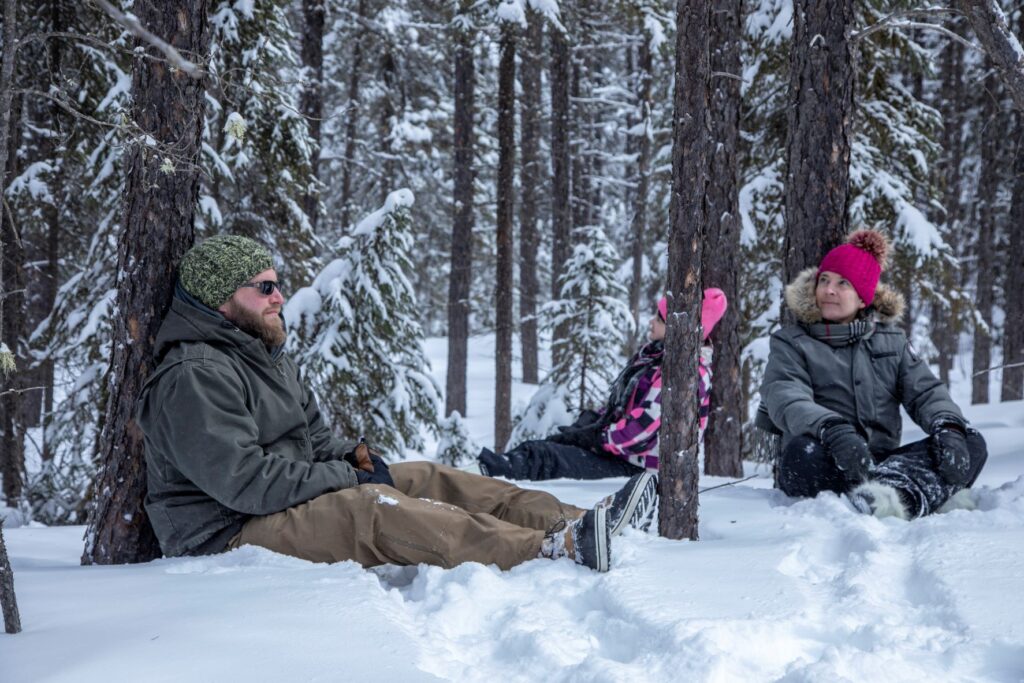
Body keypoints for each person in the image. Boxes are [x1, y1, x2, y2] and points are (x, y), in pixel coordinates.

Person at [137, 235, 660, 574]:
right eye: (265, 287)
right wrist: (350, 481)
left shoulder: (260, 353)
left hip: (279, 500)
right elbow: (245, 483)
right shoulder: (195, 375)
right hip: (224, 533)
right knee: (371, 509)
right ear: (218, 299)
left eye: (279, 284)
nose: (279, 296)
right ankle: (552, 550)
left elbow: (315, 438)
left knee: (421, 477)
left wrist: (359, 460)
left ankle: (580, 519)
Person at [759, 229, 987, 519]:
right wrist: (832, 429)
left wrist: (948, 427)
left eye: (843, 283)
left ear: (863, 299)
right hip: (826, 456)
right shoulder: (791, 342)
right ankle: (918, 494)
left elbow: (927, 392)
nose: (829, 290)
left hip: (881, 459)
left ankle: (888, 493)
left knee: (970, 441)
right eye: (824, 280)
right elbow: (785, 395)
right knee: (801, 454)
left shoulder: (892, 342)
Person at [478, 288, 728, 480]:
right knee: (544, 446)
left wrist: (597, 438)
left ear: (677, 328)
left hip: (639, 469)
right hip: (623, 454)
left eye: (659, 319)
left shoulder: (686, 373)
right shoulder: (655, 359)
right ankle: (485, 470)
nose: (652, 322)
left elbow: (643, 430)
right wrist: (592, 424)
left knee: (545, 458)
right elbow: (627, 409)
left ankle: (485, 476)